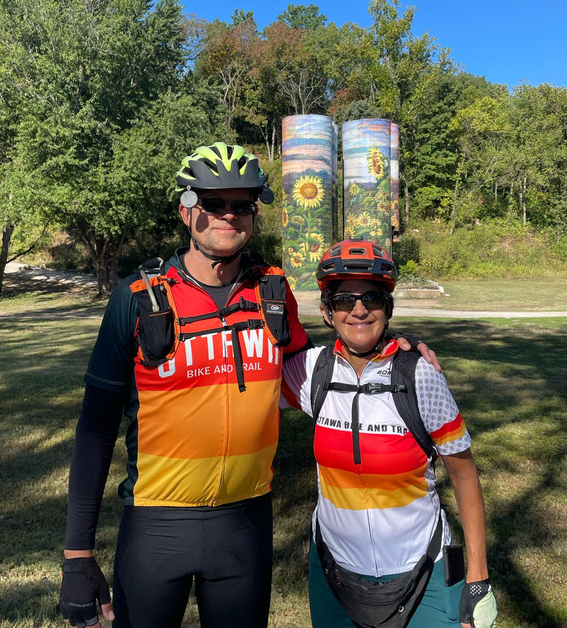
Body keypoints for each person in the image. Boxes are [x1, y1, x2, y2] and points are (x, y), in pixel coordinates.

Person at [59, 143, 439, 628]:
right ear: (186, 210)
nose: (228, 215)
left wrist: (389, 345)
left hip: (245, 525)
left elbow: (322, 367)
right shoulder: (137, 298)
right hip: (155, 526)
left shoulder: (273, 293)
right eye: (213, 202)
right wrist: (77, 555)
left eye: (242, 205)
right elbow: (94, 430)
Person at [281, 239, 498, 628]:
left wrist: (478, 577)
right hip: (334, 570)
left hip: (424, 568)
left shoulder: (421, 376)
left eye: (373, 299)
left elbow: (464, 476)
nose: (359, 309)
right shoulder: (311, 371)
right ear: (328, 311)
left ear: (388, 309)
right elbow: (238, 379)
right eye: (345, 299)